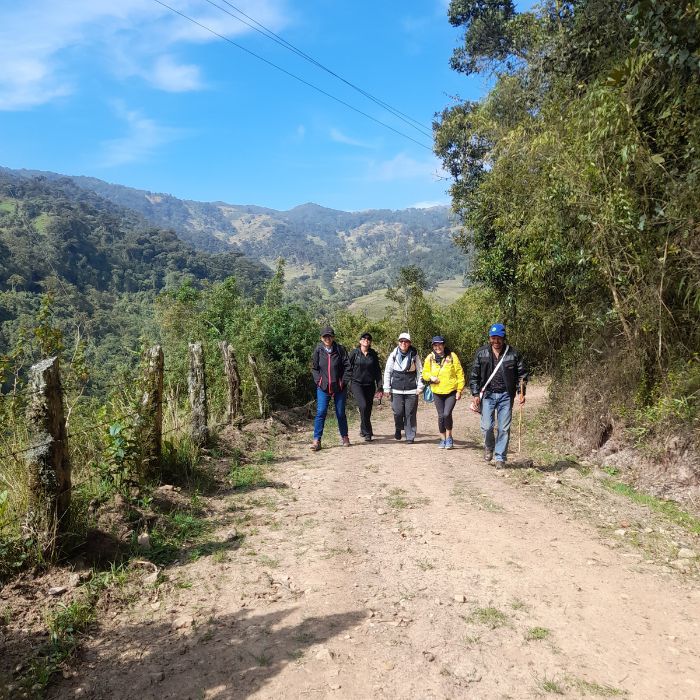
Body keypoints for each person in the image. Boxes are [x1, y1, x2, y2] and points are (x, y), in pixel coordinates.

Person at [469, 323, 528, 467]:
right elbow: (474, 375)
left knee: (504, 428)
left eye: (499, 338)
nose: (496, 341)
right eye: (493, 338)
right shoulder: (481, 353)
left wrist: (521, 393)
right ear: (489, 338)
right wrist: (476, 393)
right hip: (488, 395)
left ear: (504, 338)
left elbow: (522, 376)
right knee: (487, 426)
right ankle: (489, 446)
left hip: (506, 396)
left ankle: (500, 457)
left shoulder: (513, 354)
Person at [310, 326, 352, 451]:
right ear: (321, 338)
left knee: (340, 413)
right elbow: (314, 368)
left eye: (330, 336)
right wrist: (319, 381)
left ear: (333, 337)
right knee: (321, 412)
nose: (327, 338)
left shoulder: (340, 349)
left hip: (339, 387)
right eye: (325, 336)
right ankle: (317, 440)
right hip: (323, 387)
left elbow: (347, 367)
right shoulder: (318, 350)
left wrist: (342, 382)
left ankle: (345, 437)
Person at [422, 336, 465, 449]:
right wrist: (431, 377)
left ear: (444, 345)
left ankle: (449, 437)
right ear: (433, 346)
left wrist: (459, 390)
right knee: (441, 416)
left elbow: (459, 373)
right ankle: (443, 439)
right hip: (437, 392)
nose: (438, 347)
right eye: (435, 345)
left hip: (451, 391)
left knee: (446, 414)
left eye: (440, 344)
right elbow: (424, 373)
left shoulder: (452, 356)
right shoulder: (430, 358)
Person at [383, 332, 423, 444]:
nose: (403, 343)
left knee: (410, 413)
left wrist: (420, 386)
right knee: (398, 412)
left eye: (406, 341)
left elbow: (420, 372)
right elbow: (388, 371)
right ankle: (398, 428)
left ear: (409, 343)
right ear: (398, 342)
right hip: (396, 389)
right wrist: (386, 388)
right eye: (401, 341)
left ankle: (410, 436)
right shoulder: (393, 355)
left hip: (411, 389)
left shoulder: (414, 355)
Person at [349, 332, 383, 442]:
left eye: (369, 339)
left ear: (370, 342)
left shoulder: (373, 354)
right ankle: (368, 432)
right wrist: (345, 382)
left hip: (370, 385)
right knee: (363, 406)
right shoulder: (354, 353)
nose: (366, 340)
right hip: (356, 384)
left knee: (368, 409)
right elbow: (347, 368)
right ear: (360, 341)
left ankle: (363, 428)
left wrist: (380, 386)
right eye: (364, 338)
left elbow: (377, 370)